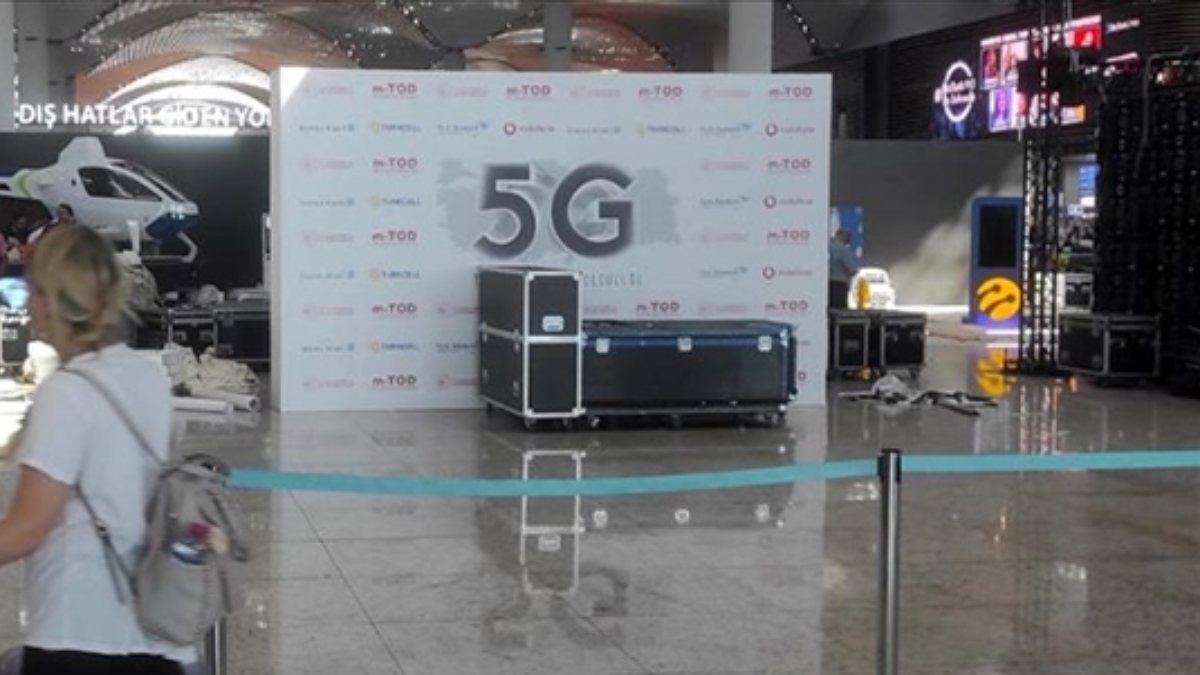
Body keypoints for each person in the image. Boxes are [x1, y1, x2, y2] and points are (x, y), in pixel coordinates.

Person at [0, 226, 191, 674]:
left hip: (79, 634)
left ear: (54, 299)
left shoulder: (66, 394)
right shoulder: (146, 376)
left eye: (35, 290)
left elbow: (27, 530)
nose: (28, 304)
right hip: (153, 631)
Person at [828, 228, 860, 310]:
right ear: (842, 236)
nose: (849, 240)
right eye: (848, 237)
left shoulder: (827, 246)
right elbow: (852, 269)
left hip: (826, 285)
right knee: (839, 311)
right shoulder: (842, 249)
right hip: (839, 285)